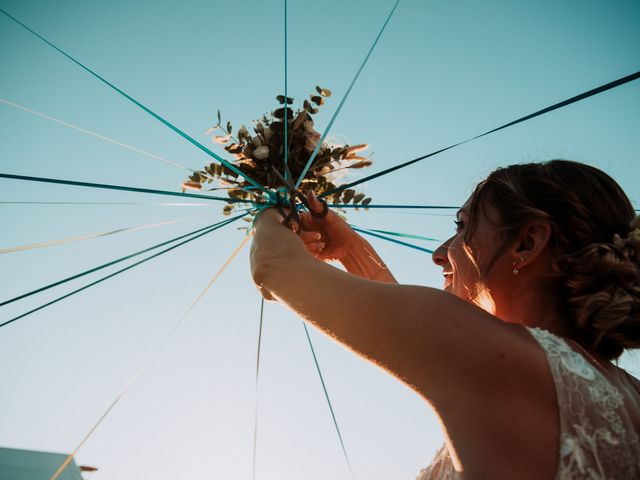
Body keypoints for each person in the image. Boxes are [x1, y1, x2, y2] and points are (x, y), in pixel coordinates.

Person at [249, 159, 640, 479]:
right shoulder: (624, 394)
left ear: (526, 243)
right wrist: (350, 250)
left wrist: (268, 215)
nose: (439, 254)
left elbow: (274, 265)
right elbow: (417, 327)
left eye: (463, 226)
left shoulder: (494, 359)